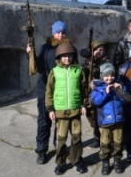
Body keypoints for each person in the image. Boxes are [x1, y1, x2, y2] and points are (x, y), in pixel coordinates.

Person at [27, 20, 71, 165]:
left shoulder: (69, 48)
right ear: (53, 33)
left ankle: (60, 147)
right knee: (44, 121)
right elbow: (38, 68)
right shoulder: (45, 48)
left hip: (63, 90)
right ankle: (41, 150)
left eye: (63, 32)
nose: (60, 35)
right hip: (45, 90)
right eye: (58, 32)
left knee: (62, 122)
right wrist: (31, 54)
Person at [45, 43, 88, 175]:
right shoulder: (54, 72)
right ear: (59, 57)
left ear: (73, 56)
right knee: (62, 139)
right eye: (64, 56)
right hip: (60, 111)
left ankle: (76, 161)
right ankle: (61, 163)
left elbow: (84, 89)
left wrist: (84, 104)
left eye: (69, 55)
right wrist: (50, 109)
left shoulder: (79, 70)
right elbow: (49, 91)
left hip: (75, 110)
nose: (67, 58)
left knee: (76, 138)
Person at [91, 63, 127, 175]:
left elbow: (125, 101)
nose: (109, 78)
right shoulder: (97, 88)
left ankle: (117, 160)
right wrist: (106, 93)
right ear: (102, 76)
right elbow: (96, 101)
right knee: (105, 142)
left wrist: (121, 91)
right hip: (104, 122)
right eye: (106, 76)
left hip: (118, 121)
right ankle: (105, 161)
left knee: (118, 141)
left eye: (111, 75)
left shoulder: (119, 86)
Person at [81, 40, 110, 149]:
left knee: (100, 117)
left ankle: (103, 138)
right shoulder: (87, 62)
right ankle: (97, 136)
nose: (99, 52)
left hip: (100, 93)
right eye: (97, 49)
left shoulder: (104, 62)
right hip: (88, 94)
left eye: (101, 50)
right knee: (91, 117)